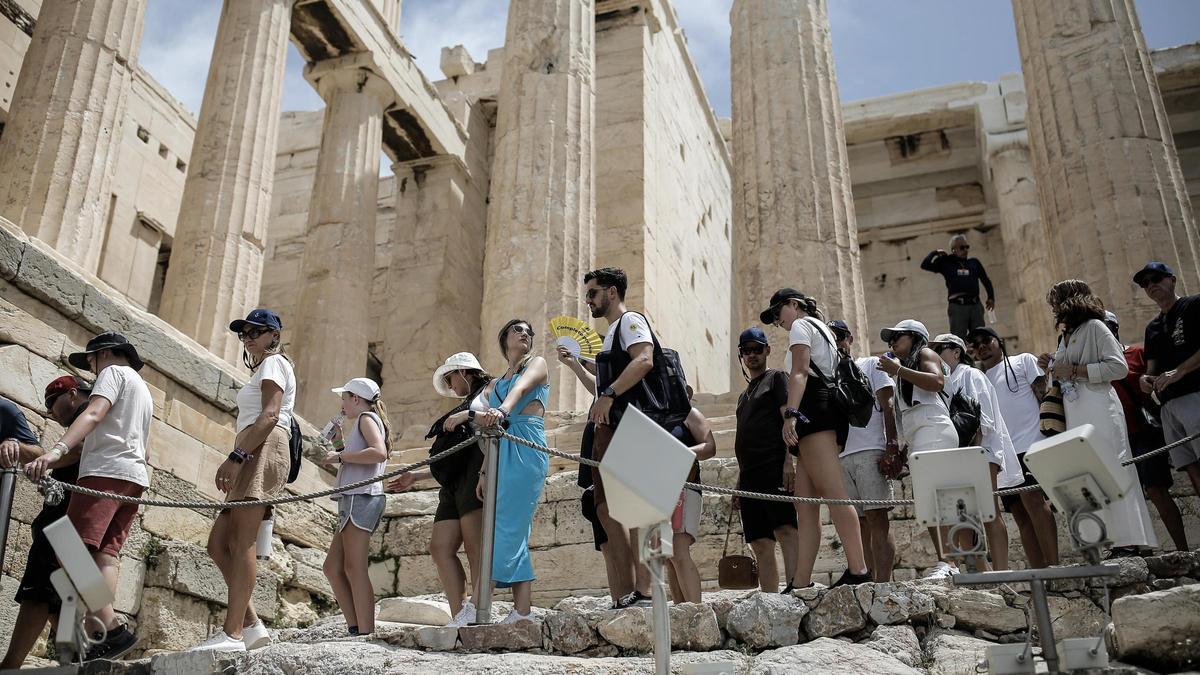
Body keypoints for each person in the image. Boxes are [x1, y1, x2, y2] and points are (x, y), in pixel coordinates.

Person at [24, 333, 152, 661]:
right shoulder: (142, 389)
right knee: (105, 556)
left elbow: (94, 413)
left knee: (68, 548)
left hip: (104, 472)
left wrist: (55, 452)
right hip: (134, 478)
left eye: (92, 361)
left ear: (105, 354)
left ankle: (110, 629)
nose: (93, 370)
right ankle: (102, 636)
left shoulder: (112, 374)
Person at [190, 310, 295, 652]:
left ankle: (232, 633)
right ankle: (250, 625)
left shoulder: (274, 364)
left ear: (273, 335)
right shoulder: (265, 366)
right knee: (218, 544)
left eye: (255, 332)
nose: (247, 337)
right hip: (253, 447)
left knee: (242, 540)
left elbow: (270, 414)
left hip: (261, 447)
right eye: (243, 333)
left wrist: (237, 457)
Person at [761, 288, 869, 588]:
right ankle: (801, 582)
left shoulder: (801, 325)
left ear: (793, 305)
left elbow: (800, 371)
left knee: (834, 493)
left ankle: (859, 570)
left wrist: (791, 413)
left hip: (813, 410)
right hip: (820, 409)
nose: (777, 322)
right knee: (805, 504)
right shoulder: (823, 328)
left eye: (778, 312)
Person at [1040, 280, 1157, 555]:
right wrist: (1050, 366)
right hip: (1076, 410)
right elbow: (1064, 372)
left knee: (1113, 468)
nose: (1053, 308)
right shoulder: (1067, 335)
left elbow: (1118, 367)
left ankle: (1130, 541)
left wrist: (1075, 370)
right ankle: (1110, 541)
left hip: (1100, 405)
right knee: (1090, 474)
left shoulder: (1095, 327)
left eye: (1055, 301)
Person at [389, 353, 491, 625]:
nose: (450, 386)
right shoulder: (465, 403)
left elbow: (498, 426)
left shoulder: (490, 392)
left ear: (464, 372)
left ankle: (480, 612)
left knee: (474, 546)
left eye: (450, 378)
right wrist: (417, 476)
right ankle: (461, 613)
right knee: (440, 547)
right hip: (452, 482)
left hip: (476, 472)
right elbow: (451, 455)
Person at [584, 267, 657, 607]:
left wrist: (610, 393)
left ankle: (646, 590)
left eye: (593, 293)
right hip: (611, 428)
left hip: (631, 422)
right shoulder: (613, 331)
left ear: (611, 293)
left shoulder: (630, 322)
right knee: (608, 508)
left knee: (639, 506)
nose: (589, 300)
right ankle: (631, 591)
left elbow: (644, 359)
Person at [471, 319, 551, 624]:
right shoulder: (494, 382)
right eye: (518, 330)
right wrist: (483, 471)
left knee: (506, 524)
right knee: (509, 527)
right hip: (501, 448)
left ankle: (479, 603)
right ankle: (521, 612)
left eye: (529, 331)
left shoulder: (538, 364)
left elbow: (520, 389)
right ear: (504, 337)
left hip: (527, 443)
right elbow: (488, 426)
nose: (526, 334)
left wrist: (502, 409)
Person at [967, 325, 1059, 569]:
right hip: (1004, 453)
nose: (982, 346)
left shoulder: (1023, 361)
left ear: (999, 340)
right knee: (1019, 514)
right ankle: (1040, 572)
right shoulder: (978, 378)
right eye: (975, 344)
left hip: (1031, 443)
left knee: (1034, 502)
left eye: (986, 339)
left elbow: (1043, 395)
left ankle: (1055, 566)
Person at [931, 333, 1022, 571]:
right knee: (961, 514)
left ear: (956, 351)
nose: (934, 354)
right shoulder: (944, 381)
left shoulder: (971, 375)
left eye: (938, 349)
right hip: (958, 454)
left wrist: (971, 453)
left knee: (989, 511)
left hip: (981, 451)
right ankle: (979, 570)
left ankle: (1002, 572)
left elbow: (984, 418)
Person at [875, 320, 958, 579]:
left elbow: (936, 382)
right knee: (927, 500)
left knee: (936, 497)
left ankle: (950, 561)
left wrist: (897, 371)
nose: (892, 342)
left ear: (915, 337)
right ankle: (946, 560)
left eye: (898, 336)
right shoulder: (904, 371)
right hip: (919, 435)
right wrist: (900, 448)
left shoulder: (924, 354)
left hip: (933, 430)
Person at [2, 381, 73, 670]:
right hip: (74, 509)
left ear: (73, 394)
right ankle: (86, 648)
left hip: (73, 510)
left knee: (45, 584)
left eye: (52, 403)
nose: (50, 413)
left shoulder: (91, 416)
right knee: (64, 588)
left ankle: (13, 663)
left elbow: (66, 452)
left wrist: (41, 460)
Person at [1105, 311, 1187, 551]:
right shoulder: (1095, 364)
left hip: (1144, 431)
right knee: (1126, 495)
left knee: (1155, 489)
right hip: (1117, 438)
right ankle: (1140, 548)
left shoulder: (1138, 353)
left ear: (1114, 328)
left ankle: (1183, 549)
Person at [556, 347, 625, 609]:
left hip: (609, 476)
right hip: (592, 478)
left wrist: (578, 365)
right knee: (606, 544)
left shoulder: (615, 396)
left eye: (592, 362)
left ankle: (627, 595)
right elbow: (594, 385)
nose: (590, 366)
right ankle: (617, 598)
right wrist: (575, 365)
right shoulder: (600, 397)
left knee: (616, 539)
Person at [732, 327, 800, 593]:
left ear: (767, 350)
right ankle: (770, 596)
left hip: (773, 464)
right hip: (749, 474)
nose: (752, 355)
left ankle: (795, 585)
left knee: (784, 527)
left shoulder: (777, 379)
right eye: (746, 351)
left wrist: (788, 462)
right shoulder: (743, 396)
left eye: (756, 349)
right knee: (759, 540)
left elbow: (787, 420)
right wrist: (738, 482)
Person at [829, 322, 898, 583]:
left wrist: (891, 445)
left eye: (839, 338)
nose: (836, 344)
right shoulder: (829, 375)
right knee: (860, 524)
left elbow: (887, 404)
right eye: (830, 339)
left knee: (877, 518)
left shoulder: (870, 364)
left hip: (871, 449)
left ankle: (884, 584)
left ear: (850, 339)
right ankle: (869, 581)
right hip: (842, 455)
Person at [322, 377, 391, 637]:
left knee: (354, 567)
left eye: (344, 397)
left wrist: (338, 455)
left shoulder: (366, 419)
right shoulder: (363, 423)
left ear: (355, 399)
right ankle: (355, 627)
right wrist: (339, 444)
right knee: (332, 567)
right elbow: (358, 463)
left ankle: (365, 632)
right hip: (353, 498)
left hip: (361, 498)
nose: (342, 404)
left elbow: (378, 453)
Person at [1136, 261, 1200, 500]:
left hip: (1195, 395)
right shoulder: (1152, 327)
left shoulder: (1193, 305)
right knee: (1188, 464)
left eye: (1156, 278)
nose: (1151, 285)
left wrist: (1180, 371)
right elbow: (1151, 368)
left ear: (1172, 280)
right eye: (1145, 283)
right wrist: (1146, 379)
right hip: (1168, 407)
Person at [664, 400, 716, 604]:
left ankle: (695, 611)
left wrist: (678, 452)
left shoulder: (690, 413)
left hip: (685, 486)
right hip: (663, 488)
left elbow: (710, 447)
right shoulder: (656, 416)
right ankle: (681, 611)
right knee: (669, 556)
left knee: (678, 549)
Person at [920, 234, 996, 339]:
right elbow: (925, 265)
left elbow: (985, 280)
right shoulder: (946, 262)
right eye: (962, 247)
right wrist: (935, 252)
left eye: (967, 247)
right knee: (958, 339)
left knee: (979, 337)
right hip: (958, 306)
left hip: (975, 305)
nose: (965, 250)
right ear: (953, 250)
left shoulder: (974, 263)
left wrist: (991, 297)